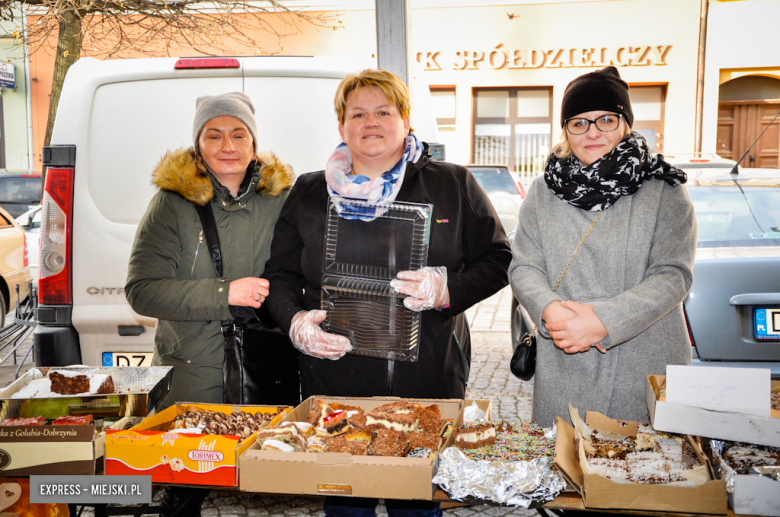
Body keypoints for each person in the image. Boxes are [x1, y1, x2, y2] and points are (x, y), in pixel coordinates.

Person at [263, 69, 511, 517]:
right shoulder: (310, 191)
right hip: (336, 383)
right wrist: (295, 322)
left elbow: (497, 261)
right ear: (342, 125)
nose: (370, 122)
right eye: (358, 113)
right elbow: (278, 276)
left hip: (426, 381)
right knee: (343, 504)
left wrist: (447, 290)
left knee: (415, 504)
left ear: (406, 119)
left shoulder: (453, 184)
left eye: (383, 111)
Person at [508, 67, 697, 428]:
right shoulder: (543, 190)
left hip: (642, 362)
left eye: (606, 120)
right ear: (566, 129)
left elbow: (673, 275)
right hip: (564, 359)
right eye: (579, 122)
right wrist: (550, 312)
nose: (592, 132)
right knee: (565, 474)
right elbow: (524, 267)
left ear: (624, 123)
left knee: (645, 475)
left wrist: (603, 322)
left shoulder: (664, 189)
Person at [126, 91, 299, 410]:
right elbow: (142, 291)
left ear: (254, 145)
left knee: (264, 459)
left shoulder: (284, 201)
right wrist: (225, 294)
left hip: (267, 375)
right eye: (214, 136)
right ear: (198, 146)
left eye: (239, 134)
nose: (228, 146)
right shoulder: (171, 205)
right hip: (191, 380)